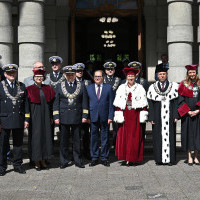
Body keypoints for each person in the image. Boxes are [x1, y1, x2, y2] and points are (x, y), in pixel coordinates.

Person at [53, 65, 89, 169]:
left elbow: (85, 102)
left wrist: (85, 115)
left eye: (72, 74)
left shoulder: (81, 85)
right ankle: (64, 161)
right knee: (63, 141)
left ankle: (77, 160)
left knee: (77, 141)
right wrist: (56, 117)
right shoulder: (60, 86)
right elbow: (56, 103)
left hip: (77, 116)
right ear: (64, 75)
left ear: (75, 75)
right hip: (64, 117)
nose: (70, 76)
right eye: (68, 74)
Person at [113, 68, 148, 166]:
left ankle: (133, 158)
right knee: (124, 137)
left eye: (132, 76)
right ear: (126, 77)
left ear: (135, 77)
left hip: (135, 115)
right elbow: (118, 104)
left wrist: (144, 114)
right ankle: (126, 158)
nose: (131, 78)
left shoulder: (140, 88)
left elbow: (144, 103)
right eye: (129, 76)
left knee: (134, 137)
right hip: (124, 116)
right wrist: (118, 114)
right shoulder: (121, 87)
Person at [0, 64, 30, 176]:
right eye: (9, 73)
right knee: (2, 145)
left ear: (16, 73)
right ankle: (2, 167)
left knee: (18, 144)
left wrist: (27, 119)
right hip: (4, 120)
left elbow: (26, 104)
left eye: (13, 73)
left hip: (18, 119)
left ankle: (17, 165)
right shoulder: (0, 86)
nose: (12, 75)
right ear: (5, 74)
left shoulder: (22, 86)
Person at [147, 67, 179, 165]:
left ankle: (170, 159)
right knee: (157, 137)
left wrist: (175, 115)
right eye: (160, 74)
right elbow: (150, 103)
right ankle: (159, 159)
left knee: (171, 136)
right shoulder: (152, 87)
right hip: (157, 116)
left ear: (167, 75)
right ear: (157, 75)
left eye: (164, 74)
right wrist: (151, 117)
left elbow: (175, 102)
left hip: (170, 116)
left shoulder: (173, 86)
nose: (162, 76)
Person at [26, 69, 55, 171]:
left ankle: (44, 159)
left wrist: (52, 116)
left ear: (43, 78)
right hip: (35, 117)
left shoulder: (48, 88)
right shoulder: (29, 89)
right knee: (36, 138)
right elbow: (26, 106)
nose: (39, 78)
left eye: (41, 76)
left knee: (46, 137)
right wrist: (27, 119)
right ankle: (37, 161)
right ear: (34, 78)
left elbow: (51, 104)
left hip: (46, 116)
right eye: (37, 76)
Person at [87, 70, 114, 167]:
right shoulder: (89, 88)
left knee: (105, 138)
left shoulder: (108, 88)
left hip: (105, 117)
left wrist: (111, 116)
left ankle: (104, 158)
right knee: (93, 138)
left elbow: (111, 103)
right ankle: (94, 158)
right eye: (95, 76)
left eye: (99, 76)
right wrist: (87, 116)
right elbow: (86, 104)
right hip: (93, 117)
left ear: (103, 77)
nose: (97, 78)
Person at [178, 64, 200, 166]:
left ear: (196, 73)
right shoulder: (183, 84)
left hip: (198, 115)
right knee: (187, 135)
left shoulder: (199, 83)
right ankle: (189, 157)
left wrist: (198, 111)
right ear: (188, 73)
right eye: (190, 72)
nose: (192, 74)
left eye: (193, 72)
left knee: (197, 136)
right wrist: (188, 111)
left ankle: (196, 156)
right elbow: (180, 100)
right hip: (187, 115)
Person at [75, 63, 91, 160]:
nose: (79, 72)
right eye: (77, 71)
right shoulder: (71, 82)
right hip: (75, 112)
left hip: (85, 112)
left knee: (86, 134)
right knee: (76, 134)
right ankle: (76, 153)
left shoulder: (88, 82)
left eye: (81, 71)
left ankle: (86, 152)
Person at [103, 61, 121, 148]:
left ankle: (116, 144)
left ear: (114, 70)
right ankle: (106, 145)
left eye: (111, 69)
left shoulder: (118, 80)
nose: (110, 70)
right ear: (105, 70)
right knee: (105, 127)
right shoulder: (102, 80)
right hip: (105, 106)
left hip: (116, 106)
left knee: (116, 128)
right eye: (108, 69)